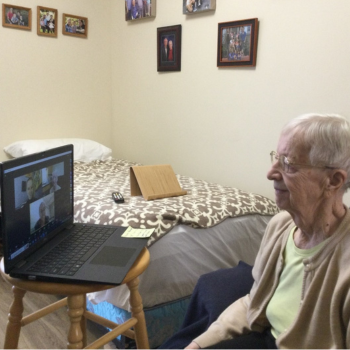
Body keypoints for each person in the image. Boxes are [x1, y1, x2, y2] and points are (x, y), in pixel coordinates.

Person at [180, 113, 350, 349]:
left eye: (289, 164)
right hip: (264, 335)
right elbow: (255, 302)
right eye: (277, 158)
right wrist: (198, 345)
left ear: (333, 181)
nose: (271, 173)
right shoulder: (280, 226)